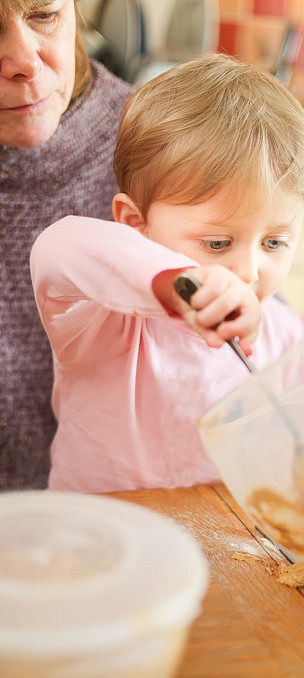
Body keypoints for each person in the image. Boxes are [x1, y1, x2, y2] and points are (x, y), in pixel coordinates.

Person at [30, 53, 304, 492]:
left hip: (222, 553)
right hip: (100, 550)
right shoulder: (104, 324)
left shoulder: (289, 340)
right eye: (217, 244)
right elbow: (58, 247)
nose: (247, 271)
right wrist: (181, 284)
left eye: (274, 243)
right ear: (135, 224)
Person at [0, 0, 132, 490]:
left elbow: (254, 348)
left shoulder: (156, 148)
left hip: (115, 536)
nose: (26, 62)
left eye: (44, 14)